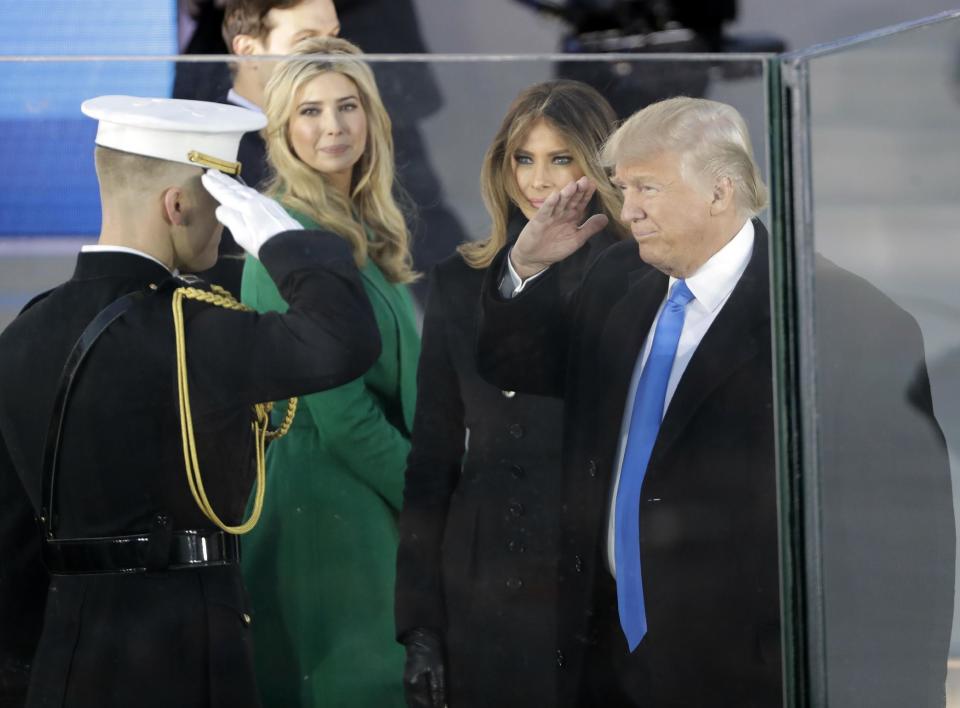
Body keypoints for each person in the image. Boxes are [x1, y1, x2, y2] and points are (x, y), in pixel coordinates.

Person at [476, 96, 953, 706]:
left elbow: (907, 546)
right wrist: (527, 265)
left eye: (648, 188)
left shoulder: (844, 321)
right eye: (624, 188)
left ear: (720, 191)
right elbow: (515, 367)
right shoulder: (618, 276)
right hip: (608, 661)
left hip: (750, 677)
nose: (629, 210)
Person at [0, 94, 380, 707]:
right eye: (221, 205)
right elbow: (345, 340)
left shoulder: (22, 334)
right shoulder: (194, 331)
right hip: (187, 660)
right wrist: (288, 244)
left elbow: (11, 538)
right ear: (177, 205)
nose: (227, 226)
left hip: (65, 663)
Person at [393, 79, 625, 708]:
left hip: (597, 593)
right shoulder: (461, 283)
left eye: (560, 159)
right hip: (483, 591)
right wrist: (420, 626)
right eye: (524, 158)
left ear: (598, 165)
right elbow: (431, 462)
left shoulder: (639, 279)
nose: (538, 180)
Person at [239, 37, 418, 708]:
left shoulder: (362, 225)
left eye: (348, 106)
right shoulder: (282, 242)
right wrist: (432, 498)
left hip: (366, 508)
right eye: (310, 111)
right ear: (282, 129)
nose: (333, 127)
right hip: (328, 524)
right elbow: (342, 419)